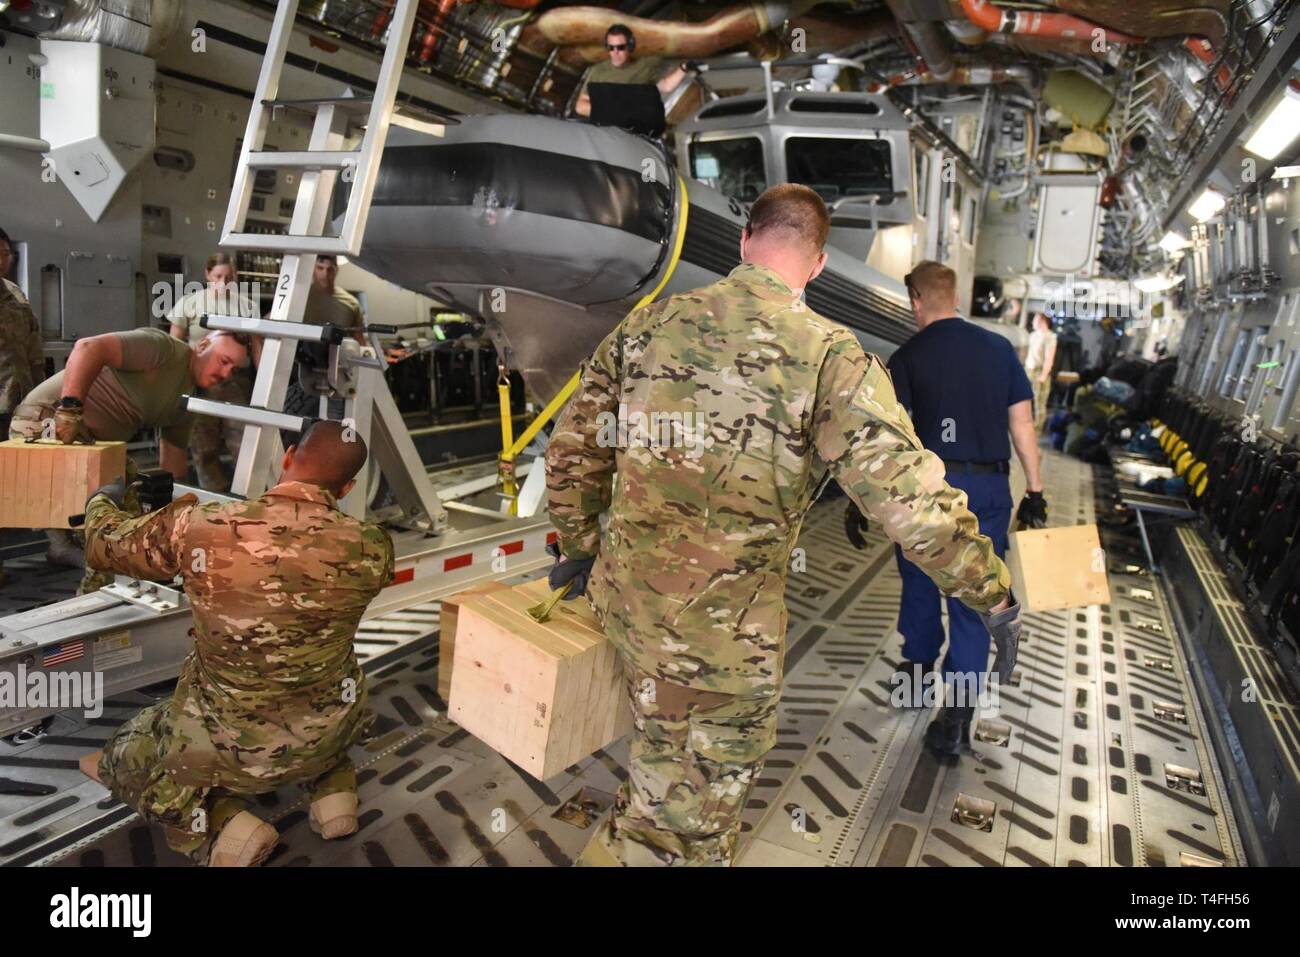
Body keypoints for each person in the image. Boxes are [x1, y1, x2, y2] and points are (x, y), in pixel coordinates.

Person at [545, 185, 1021, 867]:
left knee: (659, 781)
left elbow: (574, 449)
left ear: (744, 242)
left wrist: (580, 548)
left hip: (627, 612)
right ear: (820, 263)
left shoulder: (649, 323)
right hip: (719, 652)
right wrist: (992, 593)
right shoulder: (828, 355)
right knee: (681, 833)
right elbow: (909, 501)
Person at [77, 420, 395, 867]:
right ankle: (333, 794)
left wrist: (102, 501)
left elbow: (103, 545)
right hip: (329, 730)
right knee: (316, 697)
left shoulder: (199, 526)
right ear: (347, 488)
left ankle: (224, 826)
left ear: (287, 457)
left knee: (122, 756)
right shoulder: (373, 546)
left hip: (233, 750)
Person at [882, 261, 1047, 757]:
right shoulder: (1000, 350)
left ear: (915, 298)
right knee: (977, 595)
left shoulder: (907, 356)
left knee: (920, 583)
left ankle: (915, 676)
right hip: (989, 490)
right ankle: (956, 718)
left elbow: (890, 438)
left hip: (927, 493)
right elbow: (1023, 426)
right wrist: (1035, 492)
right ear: (955, 296)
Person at [8, 328, 249, 589]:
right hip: (46, 420)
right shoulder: (163, 350)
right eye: (224, 361)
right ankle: (89, 584)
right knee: (102, 520)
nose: (225, 374)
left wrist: (173, 515)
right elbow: (88, 346)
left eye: (233, 369)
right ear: (203, 346)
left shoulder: (187, 400)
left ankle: (92, 581)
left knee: (131, 520)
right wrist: (70, 409)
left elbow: (174, 458)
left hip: (95, 445)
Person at [167, 253, 260, 492]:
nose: (223, 281)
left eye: (229, 277)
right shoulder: (190, 303)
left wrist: (262, 384)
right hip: (202, 383)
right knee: (203, 445)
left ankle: (249, 494)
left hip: (236, 383)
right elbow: (174, 345)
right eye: (218, 276)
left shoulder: (247, 306)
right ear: (207, 275)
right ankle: (214, 497)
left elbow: (257, 347)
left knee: (242, 442)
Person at [573, 24, 689, 134]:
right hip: (606, 134)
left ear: (630, 45)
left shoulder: (644, 66)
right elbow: (581, 106)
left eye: (620, 47)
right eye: (611, 48)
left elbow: (666, 86)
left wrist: (684, 68)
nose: (615, 52)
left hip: (635, 135)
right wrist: (616, 113)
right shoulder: (598, 71)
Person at [1025, 311, 1058, 432]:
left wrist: (1044, 374)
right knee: (1023, 399)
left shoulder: (1050, 337)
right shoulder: (1033, 335)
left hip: (1039, 372)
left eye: (1036, 319)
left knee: (1039, 401)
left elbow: (1049, 358)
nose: (1033, 322)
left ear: (1042, 321)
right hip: (1028, 369)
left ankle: (1037, 427)